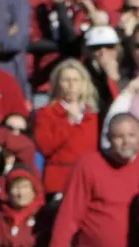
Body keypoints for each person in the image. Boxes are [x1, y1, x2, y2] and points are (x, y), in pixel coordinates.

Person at [47, 113, 139, 247]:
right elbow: (69, 216)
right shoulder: (89, 164)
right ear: (108, 138)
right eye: (119, 136)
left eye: (131, 135)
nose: (126, 141)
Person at [33, 59, 102, 197]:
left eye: (76, 80)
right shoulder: (46, 113)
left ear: (84, 83)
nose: (71, 85)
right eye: (66, 80)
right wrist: (68, 123)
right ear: (57, 83)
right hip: (59, 182)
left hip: (89, 179)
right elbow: (44, 146)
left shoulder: (94, 116)